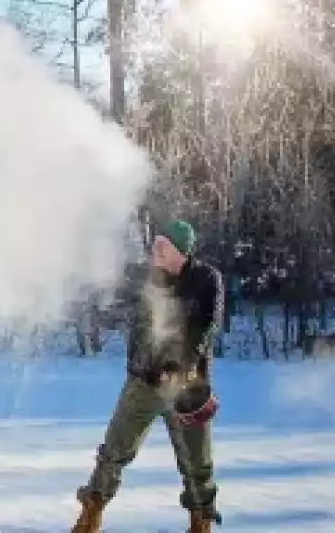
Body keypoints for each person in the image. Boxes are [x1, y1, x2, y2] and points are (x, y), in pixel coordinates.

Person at [72, 219, 226, 533]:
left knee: (197, 464)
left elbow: (206, 326)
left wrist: (180, 364)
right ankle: (90, 515)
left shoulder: (206, 279)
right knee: (112, 452)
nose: (155, 249)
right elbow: (112, 290)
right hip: (142, 382)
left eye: (163, 244)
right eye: (155, 243)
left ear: (181, 250)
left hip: (186, 386)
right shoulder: (143, 278)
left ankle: (201, 524)